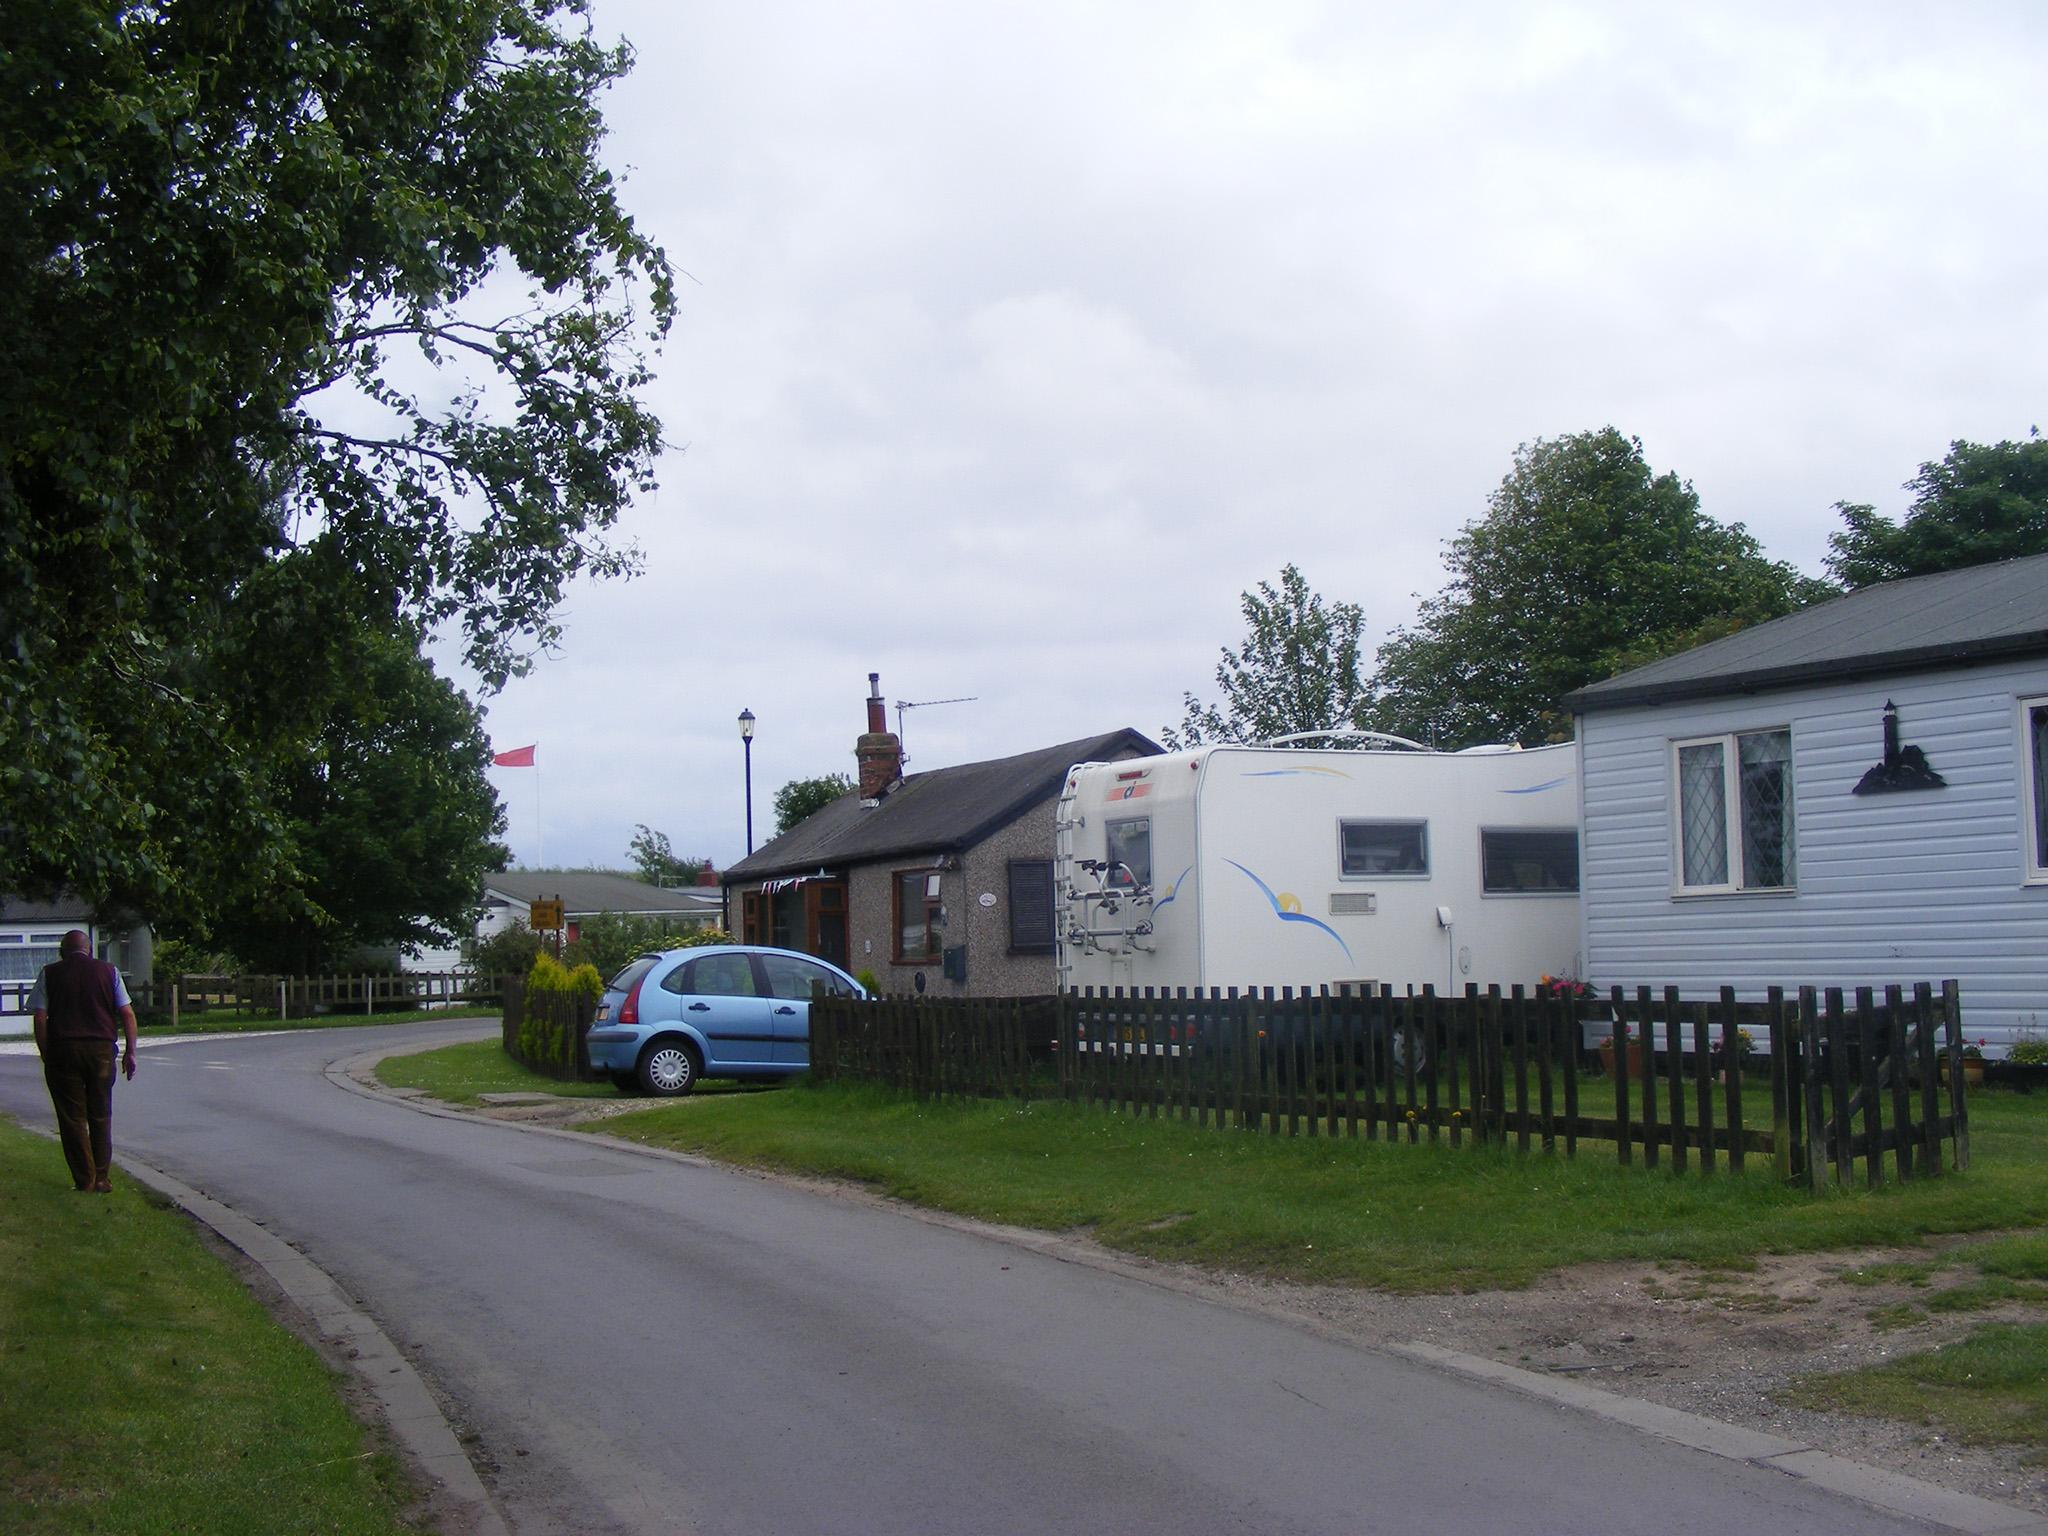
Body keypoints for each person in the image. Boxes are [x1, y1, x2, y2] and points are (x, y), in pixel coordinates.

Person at [29, 929, 139, 1193]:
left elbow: (40, 1018)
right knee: (101, 1114)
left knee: (72, 1118)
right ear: (89, 949)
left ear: (62, 951)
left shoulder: (50, 973)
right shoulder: (109, 972)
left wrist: (46, 1054)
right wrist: (130, 1051)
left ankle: (85, 1179)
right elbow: (127, 1013)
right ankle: (102, 1177)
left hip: (64, 1051)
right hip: (101, 1051)